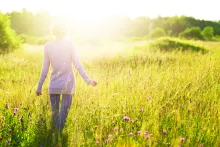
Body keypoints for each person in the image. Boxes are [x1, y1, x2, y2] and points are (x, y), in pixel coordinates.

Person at [36, 22, 97, 132]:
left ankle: (52, 137)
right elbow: (77, 65)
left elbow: (45, 69)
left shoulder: (48, 46)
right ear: (65, 31)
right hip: (68, 86)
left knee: (54, 116)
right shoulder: (70, 44)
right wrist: (88, 80)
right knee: (62, 115)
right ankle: (57, 136)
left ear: (53, 31)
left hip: (54, 85)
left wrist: (39, 87)